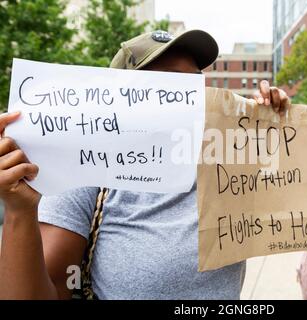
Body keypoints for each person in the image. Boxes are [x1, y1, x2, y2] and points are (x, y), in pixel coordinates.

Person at [0, 30, 291, 300]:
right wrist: (20, 211)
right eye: (169, 85)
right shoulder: (88, 171)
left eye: (193, 83)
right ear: (120, 95)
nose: (188, 97)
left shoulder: (223, 162)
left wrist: (280, 129)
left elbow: (291, 201)